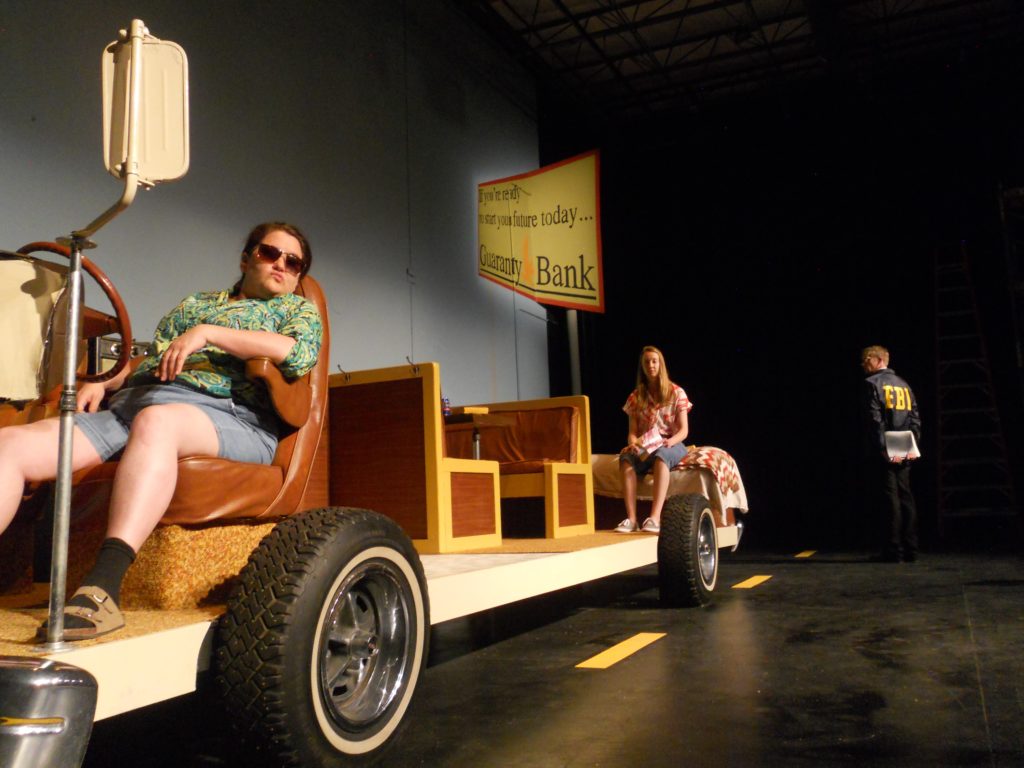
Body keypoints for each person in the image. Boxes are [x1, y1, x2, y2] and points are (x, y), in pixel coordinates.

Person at [0, 221, 323, 639]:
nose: (281, 264)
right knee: (10, 444)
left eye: (293, 262)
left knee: (158, 422)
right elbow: (154, 358)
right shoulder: (196, 304)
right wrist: (107, 380)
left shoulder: (296, 311)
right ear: (246, 259)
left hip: (231, 416)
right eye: (269, 253)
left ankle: (102, 589)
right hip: (135, 407)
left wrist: (208, 335)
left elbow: (295, 354)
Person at [615, 345, 693, 534]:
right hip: (647, 444)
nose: (651, 365)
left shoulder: (676, 392)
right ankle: (632, 519)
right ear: (642, 366)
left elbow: (684, 431)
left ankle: (654, 518)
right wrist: (633, 443)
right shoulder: (636, 397)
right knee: (625, 459)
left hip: (671, 442)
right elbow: (632, 432)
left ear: (661, 364)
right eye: (647, 362)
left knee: (662, 456)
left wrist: (670, 442)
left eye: (654, 361)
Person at [861, 345, 921, 562]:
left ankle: (893, 550)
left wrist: (882, 447)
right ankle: (911, 548)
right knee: (906, 495)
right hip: (905, 441)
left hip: (887, 442)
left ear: (878, 360)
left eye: (866, 360)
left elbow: (874, 420)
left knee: (890, 497)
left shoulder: (872, 384)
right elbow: (915, 416)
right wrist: (913, 442)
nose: (863, 364)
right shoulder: (904, 384)